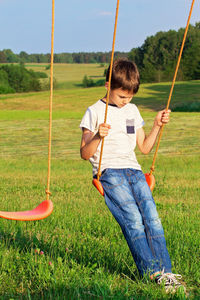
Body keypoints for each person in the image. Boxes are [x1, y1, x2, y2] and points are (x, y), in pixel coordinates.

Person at [80, 58, 184, 293]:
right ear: (108, 85)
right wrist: (98, 136)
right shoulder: (94, 112)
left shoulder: (133, 110)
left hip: (135, 171)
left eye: (130, 97)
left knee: (152, 219)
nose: (126, 101)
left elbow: (144, 148)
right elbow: (85, 154)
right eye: (121, 96)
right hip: (108, 172)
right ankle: (152, 273)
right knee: (134, 221)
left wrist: (157, 125)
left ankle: (166, 273)